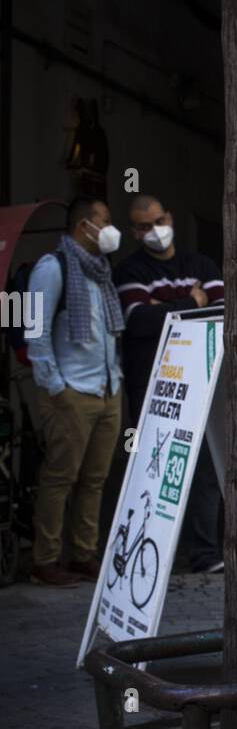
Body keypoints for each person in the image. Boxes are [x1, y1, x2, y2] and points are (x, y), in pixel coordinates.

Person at [113, 194, 224, 573]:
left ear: (170, 218)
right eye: (143, 227)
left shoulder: (201, 263)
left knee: (204, 472)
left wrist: (167, 309)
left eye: (158, 221)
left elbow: (223, 308)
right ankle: (150, 557)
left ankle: (204, 554)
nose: (153, 231)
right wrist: (191, 302)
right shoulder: (129, 271)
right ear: (133, 231)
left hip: (202, 383)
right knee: (152, 473)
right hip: (153, 389)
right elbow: (139, 321)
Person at [25, 197, 124, 587]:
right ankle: (44, 561)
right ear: (85, 226)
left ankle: (84, 554)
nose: (110, 228)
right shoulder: (52, 267)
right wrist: (56, 389)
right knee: (60, 478)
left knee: (95, 479)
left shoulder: (100, 271)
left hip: (106, 390)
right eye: (106, 220)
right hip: (71, 392)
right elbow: (36, 331)